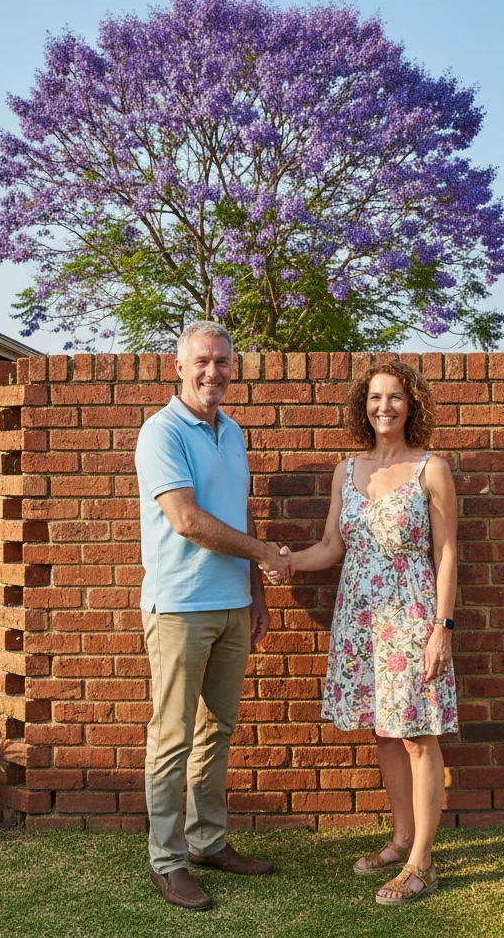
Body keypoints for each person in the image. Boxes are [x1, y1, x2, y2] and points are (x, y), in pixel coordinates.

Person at [272, 361, 458, 905]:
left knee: (418, 734)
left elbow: (447, 552)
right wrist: (287, 562)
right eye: (376, 397)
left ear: (411, 404)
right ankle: (401, 840)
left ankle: (423, 862)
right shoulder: (347, 469)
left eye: (395, 397)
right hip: (361, 619)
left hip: (412, 616)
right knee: (383, 730)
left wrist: (441, 629)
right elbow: (333, 546)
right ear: (363, 405)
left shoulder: (432, 468)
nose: (385, 406)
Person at [134, 320, 294, 911]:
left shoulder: (234, 432)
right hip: (179, 608)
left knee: (215, 730)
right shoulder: (161, 433)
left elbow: (241, 513)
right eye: (202, 361)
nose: (213, 372)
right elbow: (187, 520)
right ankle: (167, 860)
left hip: (231, 606)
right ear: (178, 366)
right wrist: (265, 555)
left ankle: (206, 842)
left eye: (223, 363)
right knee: (171, 738)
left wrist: (258, 590)